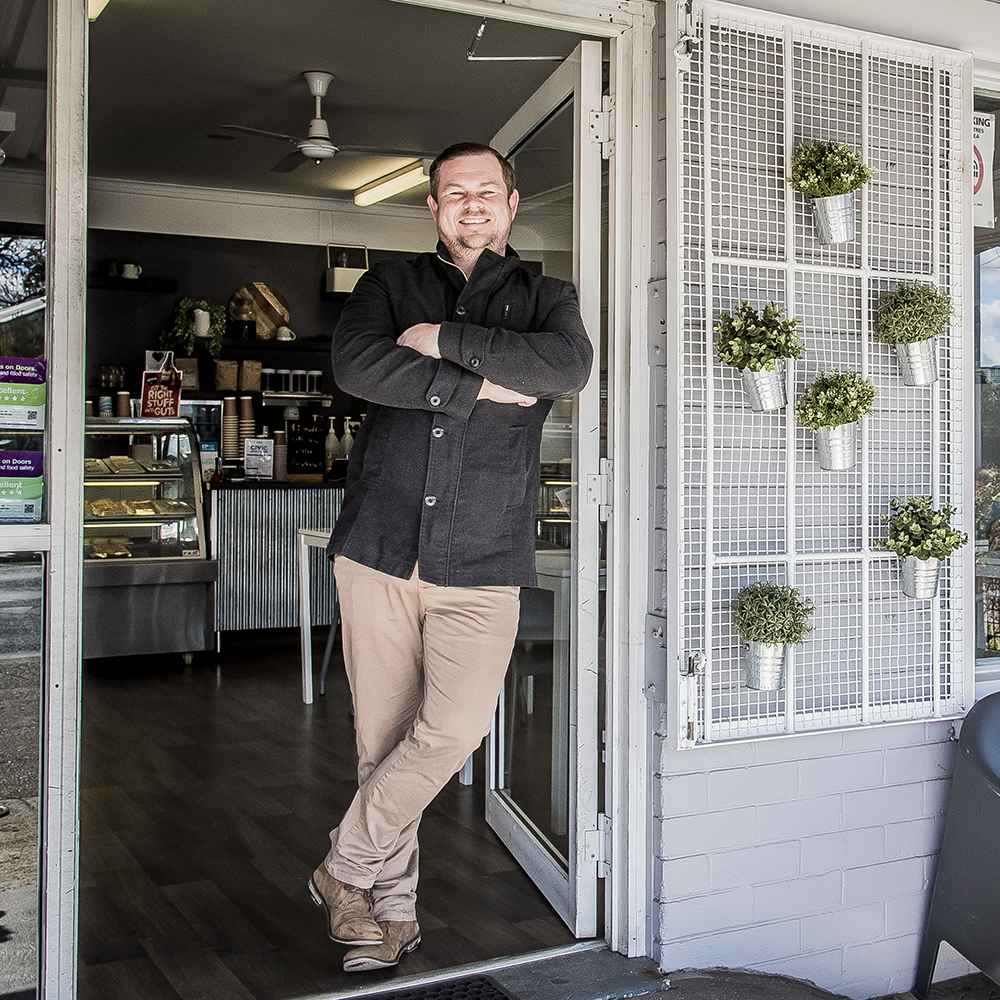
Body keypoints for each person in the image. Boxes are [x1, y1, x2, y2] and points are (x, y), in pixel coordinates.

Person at [311, 141, 593, 972]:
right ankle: (387, 916)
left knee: (453, 730)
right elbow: (359, 364)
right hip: (380, 553)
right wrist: (474, 386)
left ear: (510, 203)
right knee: (383, 740)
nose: (471, 204)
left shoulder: (550, 298)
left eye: (486, 191)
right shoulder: (385, 284)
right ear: (433, 208)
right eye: (453, 193)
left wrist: (440, 338)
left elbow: (566, 367)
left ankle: (342, 868)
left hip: (483, 559)